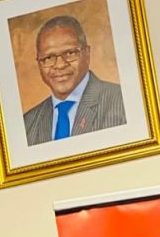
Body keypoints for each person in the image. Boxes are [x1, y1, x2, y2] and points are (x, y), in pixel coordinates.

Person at [22, 15, 126, 146]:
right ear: (39, 63)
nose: (60, 65)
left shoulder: (123, 101)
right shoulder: (27, 124)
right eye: (48, 58)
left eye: (70, 53)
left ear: (87, 54)